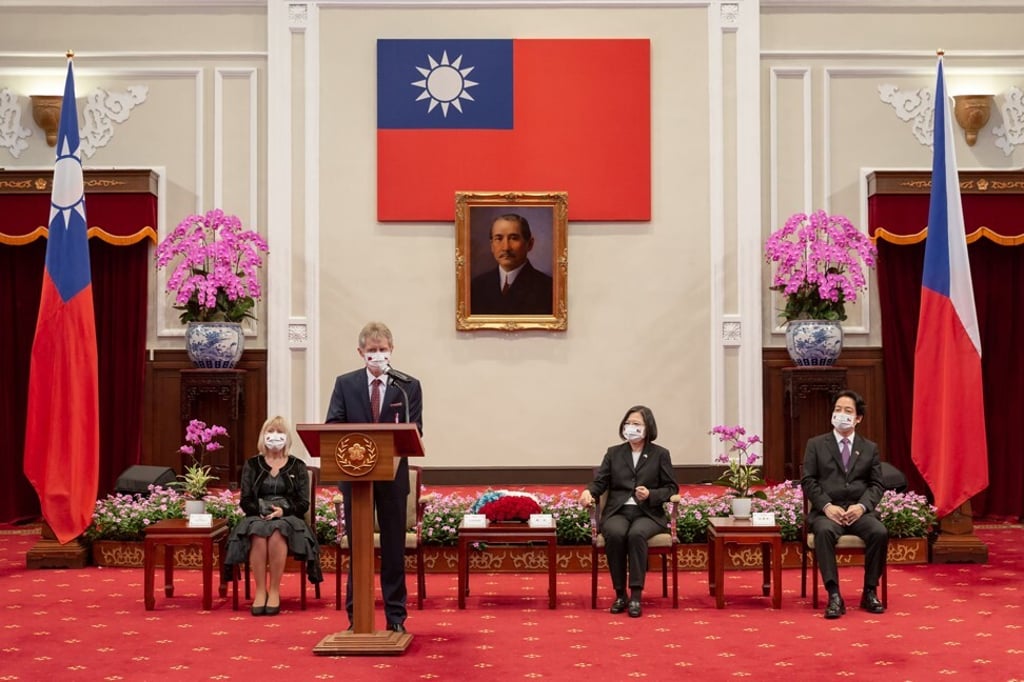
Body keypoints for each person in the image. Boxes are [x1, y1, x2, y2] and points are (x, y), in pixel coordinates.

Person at [325, 321, 423, 634]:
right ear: (360, 352)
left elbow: (415, 430)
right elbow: (333, 425)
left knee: (394, 551)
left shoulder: (407, 386)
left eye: (382, 349)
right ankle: (357, 617)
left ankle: (396, 617)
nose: (377, 355)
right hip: (356, 479)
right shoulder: (346, 384)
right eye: (371, 350)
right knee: (359, 548)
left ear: (391, 350)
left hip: (393, 479)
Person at [579, 405, 677, 618]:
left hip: (648, 514)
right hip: (618, 511)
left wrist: (651, 494)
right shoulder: (614, 453)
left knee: (636, 534)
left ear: (648, 427)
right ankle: (620, 594)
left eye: (636, 424)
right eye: (628, 423)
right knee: (615, 533)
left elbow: (671, 488)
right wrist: (588, 492)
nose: (631, 427)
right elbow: (600, 482)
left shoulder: (660, 454)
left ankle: (636, 596)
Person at [801, 389, 888, 619]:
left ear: (858, 418)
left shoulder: (869, 448)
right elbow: (808, 481)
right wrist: (827, 506)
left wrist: (861, 507)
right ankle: (834, 595)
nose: (841, 414)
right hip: (828, 513)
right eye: (838, 409)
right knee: (824, 532)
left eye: (848, 411)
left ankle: (870, 591)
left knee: (879, 532)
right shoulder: (816, 444)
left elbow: (876, 484)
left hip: (859, 512)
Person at [223, 415, 322, 616]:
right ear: (263, 435)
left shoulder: (297, 465)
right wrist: (262, 509)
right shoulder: (252, 464)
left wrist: (282, 511)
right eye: (271, 431)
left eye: (279, 432)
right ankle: (261, 591)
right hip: (257, 514)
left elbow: (303, 503)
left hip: (289, 516)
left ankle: (275, 590)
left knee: (278, 531)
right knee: (258, 533)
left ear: (287, 437)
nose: (275, 436)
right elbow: (245, 500)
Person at [469, 213, 554, 315]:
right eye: (498, 238)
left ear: (529, 244)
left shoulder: (549, 288)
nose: (506, 247)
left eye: (514, 238)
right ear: (492, 246)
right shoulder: (476, 286)